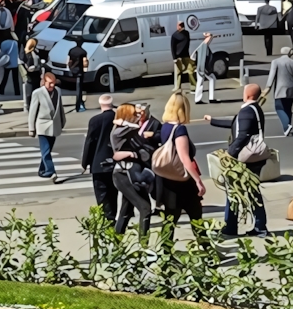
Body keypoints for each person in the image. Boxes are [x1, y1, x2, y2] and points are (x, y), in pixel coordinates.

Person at [206, 83, 270, 238]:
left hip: (246, 160)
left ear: (247, 94)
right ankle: (259, 226)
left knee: (233, 191)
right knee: (252, 192)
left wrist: (230, 154)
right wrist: (213, 120)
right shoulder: (255, 109)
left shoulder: (247, 111)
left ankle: (231, 227)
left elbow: (242, 135)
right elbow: (236, 124)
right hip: (255, 158)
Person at [157, 93, 205, 228]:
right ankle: (205, 245)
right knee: (195, 215)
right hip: (182, 180)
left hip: (168, 179)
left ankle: (166, 247)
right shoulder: (179, 129)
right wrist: (198, 181)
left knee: (170, 218)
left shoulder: (165, 126)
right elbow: (184, 158)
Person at [109, 105, 157, 237]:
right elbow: (136, 127)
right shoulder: (118, 132)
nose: (139, 116)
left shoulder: (128, 131)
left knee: (126, 210)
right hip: (124, 175)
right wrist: (125, 123)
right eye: (135, 114)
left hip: (133, 174)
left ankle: (117, 241)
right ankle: (144, 245)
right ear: (127, 116)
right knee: (145, 208)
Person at [83, 94, 119, 221]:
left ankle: (106, 219)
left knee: (102, 194)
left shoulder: (95, 120)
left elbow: (90, 142)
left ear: (100, 104)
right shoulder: (117, 118)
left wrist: (85, 162)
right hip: (115, 162)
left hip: (98, 162)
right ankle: (113, 216)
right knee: (113, 192)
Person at [28, 70, 65, 179]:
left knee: (47, 151)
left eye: (53, 82)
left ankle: (42, 170)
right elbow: (32, 112)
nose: (52, 85)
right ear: (44, 82)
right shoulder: (37, 93)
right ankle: (50, 171)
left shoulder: (58, 91)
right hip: (42, 126)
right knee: (46, 150)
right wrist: (31, 128)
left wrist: (63, 122)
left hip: (55, 126)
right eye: (49, 83)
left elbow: (60, 108)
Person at [266, 47, 293, 137]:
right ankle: (287, 128)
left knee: (279, 107)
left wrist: (268, 87)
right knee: (288, 108)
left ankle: (286, 126)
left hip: (281, 88)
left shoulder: (276, 62)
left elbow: (272, 75)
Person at [194, 32, 218, 104]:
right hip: (203, 68)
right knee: (212, 78)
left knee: (200, 82)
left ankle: (197, 99)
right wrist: (204, 70)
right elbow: (202, 59)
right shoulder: (203, 46)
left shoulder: (202, 46)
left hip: (200, 67)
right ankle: (211, 98)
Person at [66, 37, 89, 112]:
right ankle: (78, 105)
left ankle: (79, 103)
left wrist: (70, 68)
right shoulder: (83, 52)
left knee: (76, 87)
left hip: (73, 70)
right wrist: (85, 70)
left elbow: (69, 61)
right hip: (80, 71)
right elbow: (85, 62)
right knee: (79, 89)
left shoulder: (71, 51)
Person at [21, 38, 43, 110]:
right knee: (31, 91)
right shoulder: (28, 54)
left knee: (34, 90)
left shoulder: (32, 52)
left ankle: (34, 104)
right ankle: (31, 105)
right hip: (32, 74)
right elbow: (27, 64)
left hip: (35, 74)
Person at [170, 21, 193, 91]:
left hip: (184, 55)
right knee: (179, 72)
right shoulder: (175, 35)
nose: (178, 27)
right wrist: (174, 58)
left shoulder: (185, 33)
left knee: (190, 70)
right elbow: (172, 46)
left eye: (178, 25)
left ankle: (193, 86)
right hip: (179, 56)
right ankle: (177, 87)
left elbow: (185, 42)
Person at [0, 33, 22, 98]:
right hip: (15, 62)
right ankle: (17, 91)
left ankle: (1, 89)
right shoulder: (15, 43)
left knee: (5, 77)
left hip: (7, 62)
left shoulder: (3, 43)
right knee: (15, 78)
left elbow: (2, 52)